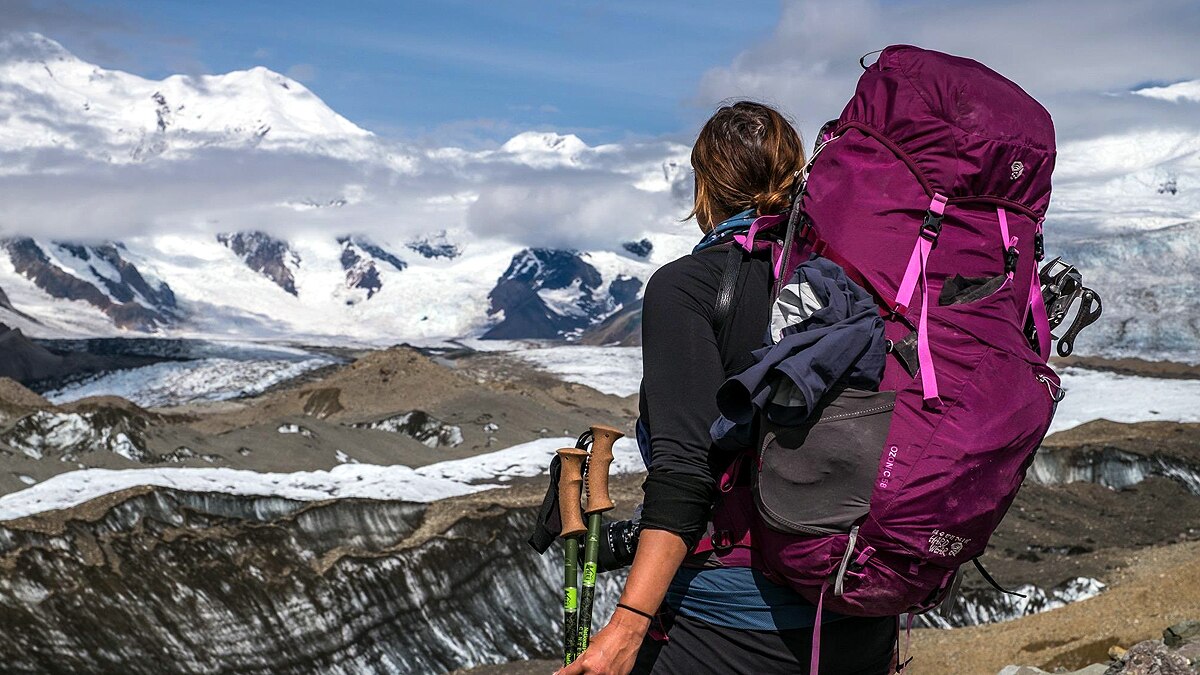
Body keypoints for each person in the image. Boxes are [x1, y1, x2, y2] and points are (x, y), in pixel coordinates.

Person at [558, 101, 898, 675]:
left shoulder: (689, 287)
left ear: (704, 187)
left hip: (732, 623)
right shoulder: (855, 285)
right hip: (854, 606)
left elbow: (689, 472)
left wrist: (624, 628)